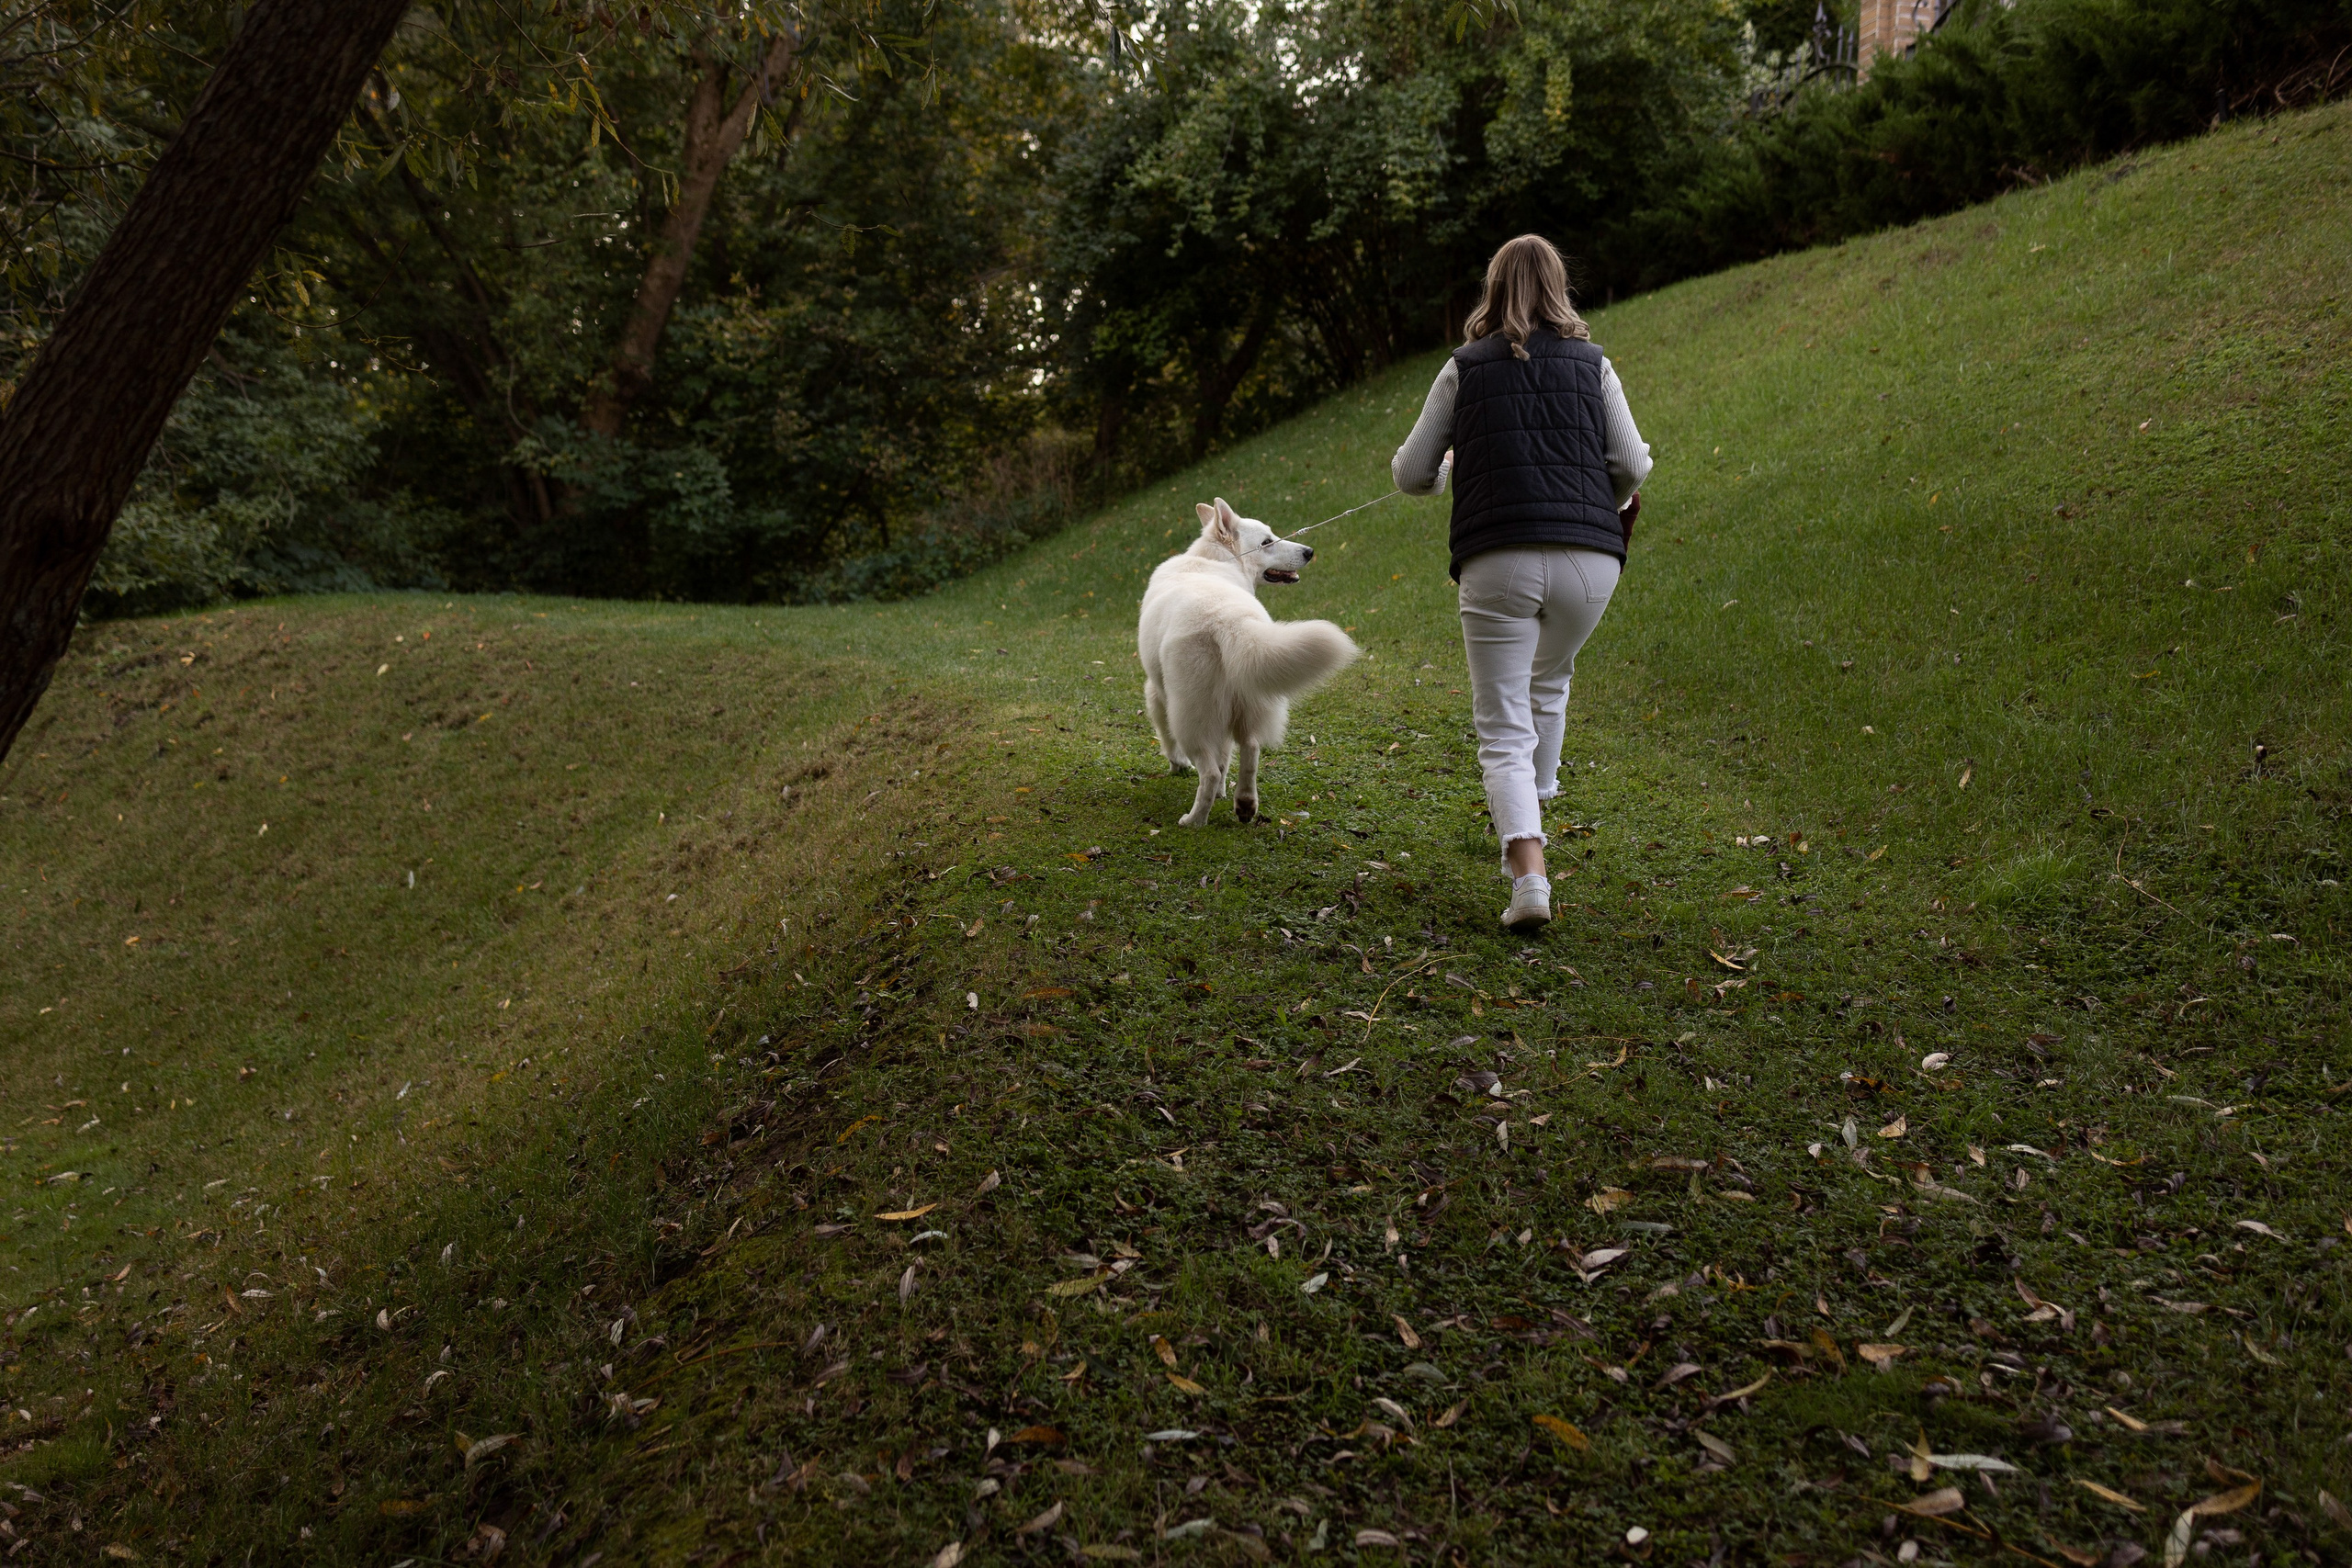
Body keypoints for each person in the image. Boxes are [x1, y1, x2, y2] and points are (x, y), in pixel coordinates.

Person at [1391, 234, 1651, 933]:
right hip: (1589, 562)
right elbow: (1633, 463)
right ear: (1559, 286)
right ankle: (1532, 809)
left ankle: (1528, 872)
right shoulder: (1595, 365)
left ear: (1494, 287)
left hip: (1497, 558)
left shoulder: (1463, 368)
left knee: (1504, 722)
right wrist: (1602, 495)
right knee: (1550, 682)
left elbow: (1410, 474)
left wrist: (1451, 469)